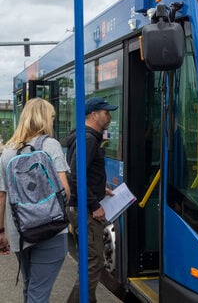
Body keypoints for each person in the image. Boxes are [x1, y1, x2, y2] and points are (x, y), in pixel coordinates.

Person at [0, 98, 71, 302]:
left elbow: (2, 196)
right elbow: (64, 190)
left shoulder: (7, 152)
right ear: (45, 119)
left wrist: (1, 232)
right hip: (51, 229)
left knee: (30, 286)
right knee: (38, 294)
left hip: (20, 232)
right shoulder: (50, 145)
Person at [66, 97, 118, 303]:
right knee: (94, 261)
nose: (110, 116)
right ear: (94, 115)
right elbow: (76, 176)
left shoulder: (87, 137)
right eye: (106, 112)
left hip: (81, 205)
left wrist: (100, 189)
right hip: (84, 209)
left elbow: (84, 174)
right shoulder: (88, 139)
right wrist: (95, 205)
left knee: (90, 259)